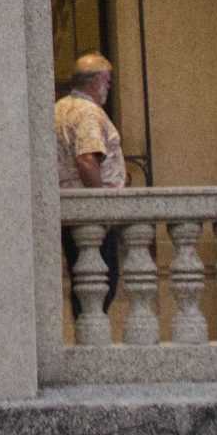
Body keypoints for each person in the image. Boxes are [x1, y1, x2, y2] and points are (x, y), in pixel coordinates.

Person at [53, 52, 127, 310]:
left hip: (70, 212)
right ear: (97, 80)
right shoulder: (88, 112)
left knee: (83, 287)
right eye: (107, 81)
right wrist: (100, 207)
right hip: (91, 219)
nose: (108, 87)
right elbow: (87, 159)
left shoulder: (59, 108)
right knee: (100, 287)